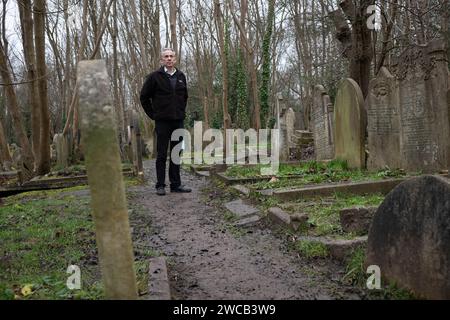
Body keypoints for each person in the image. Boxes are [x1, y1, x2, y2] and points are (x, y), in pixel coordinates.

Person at [140, 48, 191, 196]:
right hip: (162, 122)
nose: (169, 58)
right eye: (166, 56)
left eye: (171, 56)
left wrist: (181, 112)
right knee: (162, 154)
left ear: (175, 59)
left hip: (178, 121)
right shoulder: (154, 77)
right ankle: (160, 185)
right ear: (162, 60)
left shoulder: (181, 76)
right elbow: (144, 97)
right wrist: (154, 115)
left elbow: (184, 97)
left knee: (176, 153)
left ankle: (175, 185)